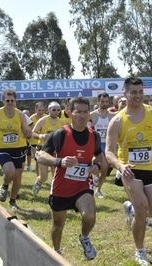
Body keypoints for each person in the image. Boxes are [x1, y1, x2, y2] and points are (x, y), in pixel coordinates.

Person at [105, 77, 152, 265]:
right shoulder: (117, 120)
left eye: (141, 91)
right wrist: (120, 166)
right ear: (125, 94)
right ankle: (140, 251)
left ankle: (130, 209)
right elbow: (109, 152)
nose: (138, 95)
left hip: (150, 168)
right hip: (129, 171)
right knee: (143, 208)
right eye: (133, 92)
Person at [36, 96, 104, 260]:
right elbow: (40, 156)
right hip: (61, 188)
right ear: (69, 113)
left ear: (89, 114)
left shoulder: (94, 136)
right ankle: (56, 251)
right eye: (78, 112)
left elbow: (100, 156)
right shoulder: (60, 134)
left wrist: (98, 165)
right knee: (58, 226)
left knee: (89, 216)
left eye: (85, 112)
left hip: (82, 187)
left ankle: (84, 237)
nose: (82, 115)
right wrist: (59, 161)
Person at [31, 102, 64, 195]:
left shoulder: (61, 122)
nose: (56, 112)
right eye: (53, 110)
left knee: (56, 176)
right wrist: (41, 136)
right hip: (43, 150)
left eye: (58, 110)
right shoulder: (43, 121)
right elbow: (33, 133)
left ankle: (54, 194)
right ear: (49, 110)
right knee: (44, 177)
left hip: (55, 151)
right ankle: (39, 181)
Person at [89, 93, 113, 198]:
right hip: (95, 143)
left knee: (105, 168)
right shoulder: (93, 115)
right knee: (98, 162)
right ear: (98, 102)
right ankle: (94, 175)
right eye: (102, 101)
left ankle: (98, 190)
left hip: (106, 144)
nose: (104, 104)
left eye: (106, 101)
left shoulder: (112, 115)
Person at [29, 102, 47, 178]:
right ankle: (38, 177)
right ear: (35, 109)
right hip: (34, 142)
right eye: (39, 110)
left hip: (44, 142)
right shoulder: (31, 118)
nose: (41, 112)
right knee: (37, 161)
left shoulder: (46, 117)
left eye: (43, 110)